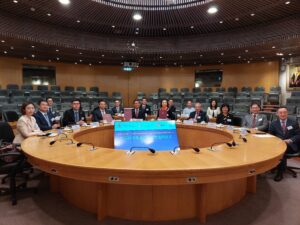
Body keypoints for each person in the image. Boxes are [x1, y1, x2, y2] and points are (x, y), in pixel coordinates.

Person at [269, 106, 300, 182]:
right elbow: (271, 135)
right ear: (277, 114)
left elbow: (298, 135)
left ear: (287, 113)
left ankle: (280, 172)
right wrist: (277, 141)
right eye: (280, 112)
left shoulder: (294, 123)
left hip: (291, 145)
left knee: (282, 150)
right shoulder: (273, 124)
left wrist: (290, 140)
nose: (283, 114)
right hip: (278, 144)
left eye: (284, 112)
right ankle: (271, 166)